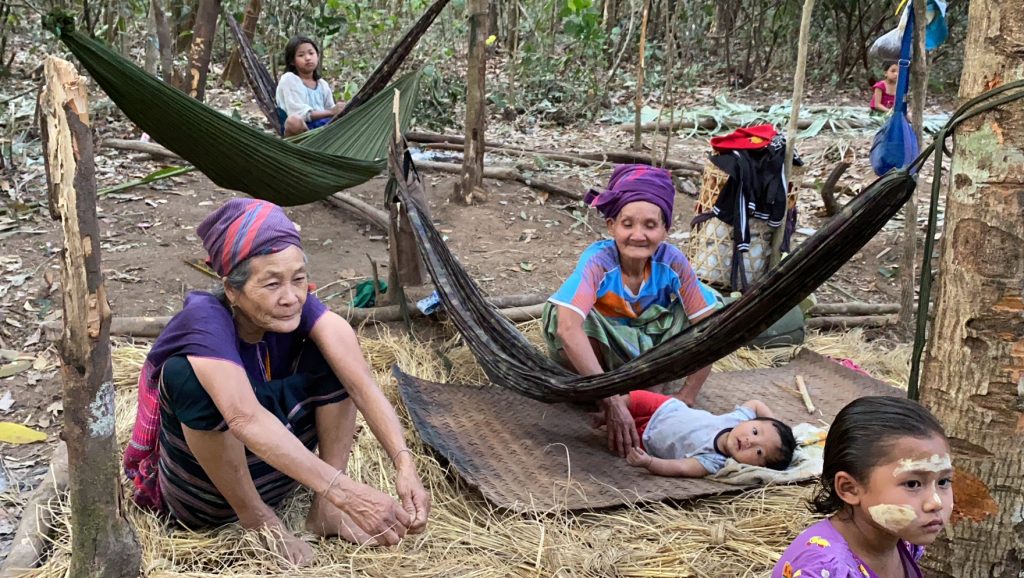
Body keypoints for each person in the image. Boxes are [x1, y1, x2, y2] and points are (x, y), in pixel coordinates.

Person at [123, 199, 430, 566]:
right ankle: (259, 521)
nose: (291, 297)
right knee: (185, 376)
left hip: (280, 477)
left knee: (333, 354)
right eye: (271, 283)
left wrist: (403, 463)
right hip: (207, 498)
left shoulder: (299, 308)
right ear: (232, 290)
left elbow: (361, 384)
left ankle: (324, 512)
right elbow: (245, 419)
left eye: (298, 279)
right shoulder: (204, 320)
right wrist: (350, 494)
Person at [542, 164, 718, 458]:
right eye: (627, 224)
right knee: (573, 319)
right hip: (601, 361)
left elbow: (712, 333)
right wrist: (610, 400)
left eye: (650, 225)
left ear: (666, 230)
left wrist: (687, 395)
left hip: (644, 351)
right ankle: (619, 396)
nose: (638, 235)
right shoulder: (599, 261)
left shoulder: (672, 262)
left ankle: (644, 395)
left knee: (710, 311)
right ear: (611, 226)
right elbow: (567, 329)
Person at [772, 396, 952, 578]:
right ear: (849, 488)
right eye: (912, 484)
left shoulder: (904, 542)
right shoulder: (821, 570)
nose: (935, 503)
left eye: (943, 482)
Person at [623, 391, 795, 477]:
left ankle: (606, 420)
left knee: (620, 436)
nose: (750, 441)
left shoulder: (715, 461)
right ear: (751, 422)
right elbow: (756, 404)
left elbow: (681, 467)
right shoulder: (738, 419)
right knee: (635, 398)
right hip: (666, 408)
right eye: (755, 431)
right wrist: (776, 424)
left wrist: (649, 462)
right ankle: (605, 411)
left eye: (759, 452)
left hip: (648, 439)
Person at [276, 35, 344, 137]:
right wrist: (331, 112)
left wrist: (340, 109)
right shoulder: (289, 79)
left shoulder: (322, 84)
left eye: (311, 53)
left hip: (323, 131)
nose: (308, 58)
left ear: (317, 56)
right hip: (300, 133)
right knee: (293, 121)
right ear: (292, 61)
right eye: (301, 55)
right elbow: (298, 114)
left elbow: (331, 111)